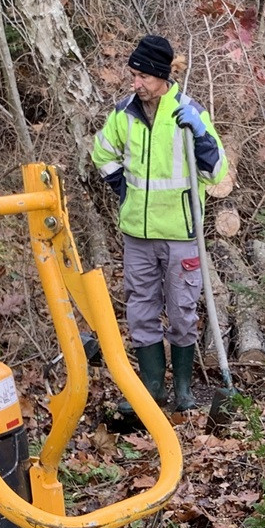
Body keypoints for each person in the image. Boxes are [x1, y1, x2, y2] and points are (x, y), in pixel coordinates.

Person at [90, 34, 230, 412]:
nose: (136, 83)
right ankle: (153, 389)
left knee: (183, 312)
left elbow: (217, 171)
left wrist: (201, 137)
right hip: (137, 234)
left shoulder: (189, 112)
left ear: (161, 75)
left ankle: (183, 390)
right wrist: (123, 189)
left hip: (182, 234)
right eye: (133, 75)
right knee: (141, 312)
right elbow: (100, 151)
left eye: (142, 77)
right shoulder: (124, 113)